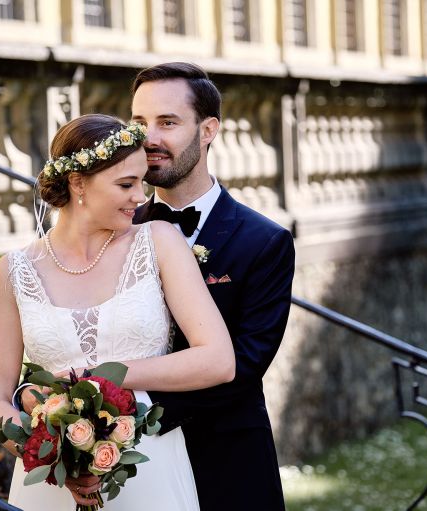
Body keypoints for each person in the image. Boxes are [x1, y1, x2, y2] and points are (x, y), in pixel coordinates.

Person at [0, 113, 235, 510]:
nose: (141, 196)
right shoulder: (13, 271)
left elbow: (218, 360)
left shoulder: (159, 242)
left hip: (148, 469)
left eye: (142, 183)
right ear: (78, 183)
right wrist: (55, 455)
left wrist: (102, 377)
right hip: (49, 486)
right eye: (126, 184)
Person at [131, 62, 295, 511]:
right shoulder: (116, 231)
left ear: (208, 130)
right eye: (140, 122)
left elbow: (243, 365)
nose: (149, 138)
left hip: (226, 464)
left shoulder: (264, 242)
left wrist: (134, 414)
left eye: (167, 122)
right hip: (125, 468)